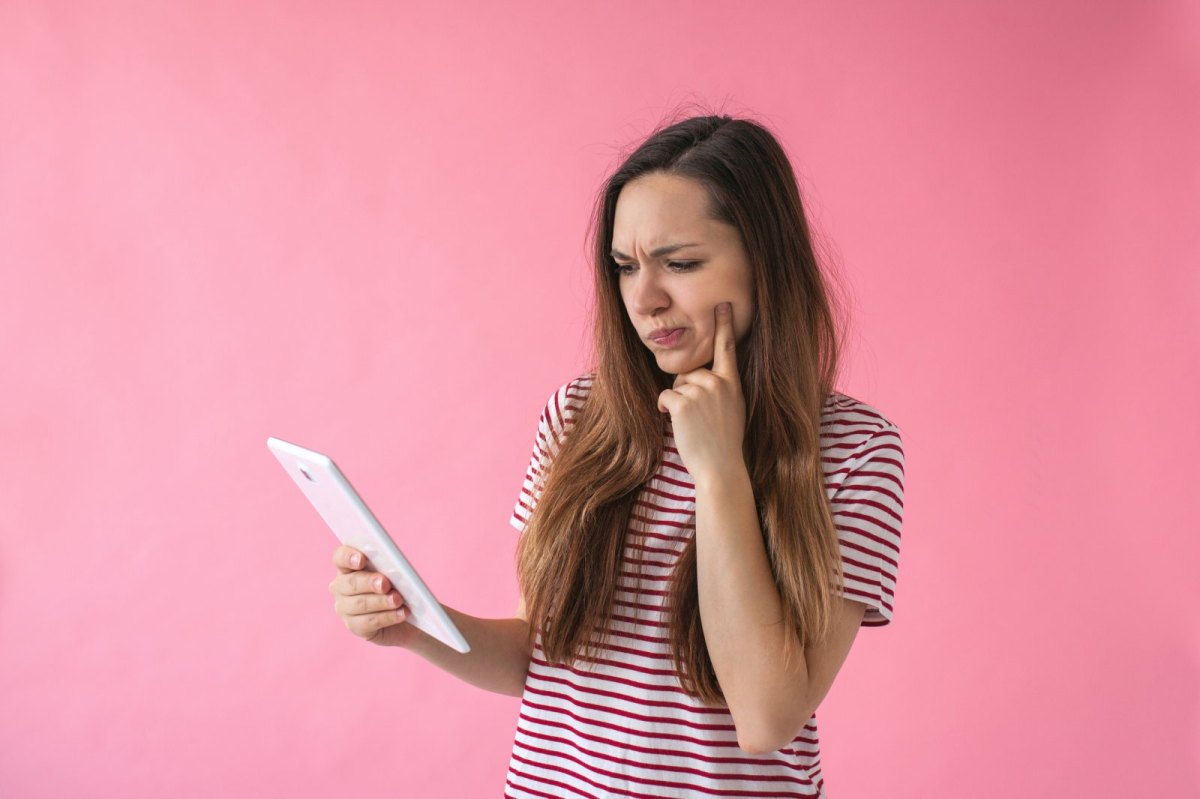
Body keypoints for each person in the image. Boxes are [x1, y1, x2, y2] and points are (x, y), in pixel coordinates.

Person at [327, 113, 906, 798]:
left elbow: (766, 717)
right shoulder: (576, 418)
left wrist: (719, 470)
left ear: (766, 263)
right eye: (626, 265)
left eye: (681, 263)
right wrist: (414, 624)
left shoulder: (853, 450)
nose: (644, 297)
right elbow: (539, 657)